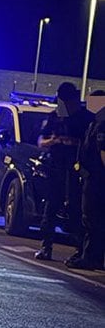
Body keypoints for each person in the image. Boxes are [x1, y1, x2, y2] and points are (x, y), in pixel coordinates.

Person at [34, 82, 94, 262]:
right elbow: (41, 141)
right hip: (56, 168)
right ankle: (46, 246)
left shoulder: (84, 118)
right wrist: (52, 141)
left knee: (77, 210)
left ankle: (81, 249)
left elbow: (90, 144)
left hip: (77, 170)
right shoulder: (54, 117)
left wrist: (73, 143)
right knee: (51, 208)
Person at [67, 90, 105, 270]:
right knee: (91, 218)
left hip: (97, 179)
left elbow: (102, 152)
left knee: (92, 219)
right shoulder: (94, 122)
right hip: (91, 177)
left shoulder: (102, 124)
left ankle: (91, 258)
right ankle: (89, 255)